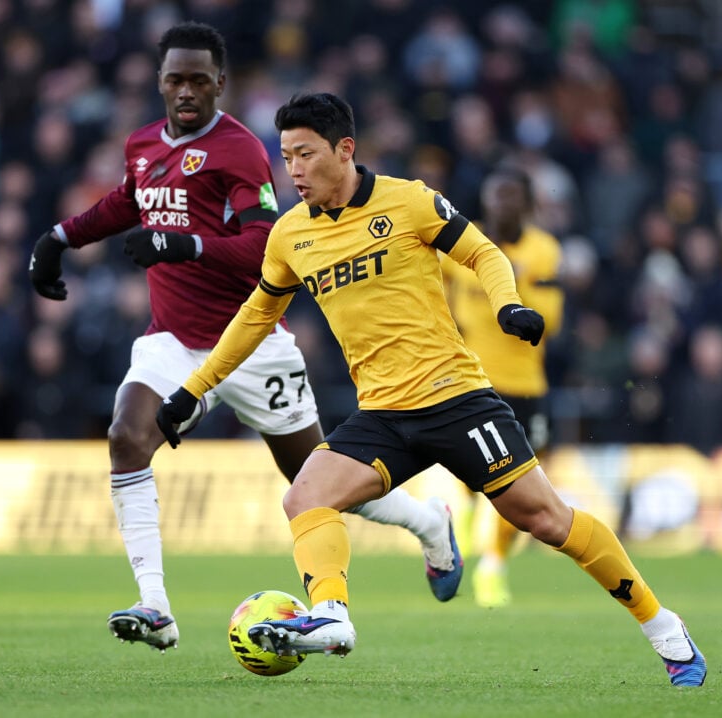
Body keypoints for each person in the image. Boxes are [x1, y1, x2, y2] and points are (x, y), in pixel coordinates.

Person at [156, 92, 707, 687]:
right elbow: (255, 316)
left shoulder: (410, 200)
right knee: (305, 497)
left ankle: (665, 629)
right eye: (285, 155)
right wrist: (195, 390)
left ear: (345, 150)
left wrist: (508, 306)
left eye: (305, 154)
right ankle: (331, 615)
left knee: (546, 520)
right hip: (383, 414)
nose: (293, 170)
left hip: (456, 399)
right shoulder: (290, 235)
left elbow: (483, 251)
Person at [27, 24, 462, 655]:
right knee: (126, 436)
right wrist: (59, 239)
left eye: (199, 80)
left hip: (252, 343)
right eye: (175, 79)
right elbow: (131, 200)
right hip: (173, 342)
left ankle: (427, 523)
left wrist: (182, 245)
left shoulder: (241, 150)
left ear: (219, 83)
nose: (185, 91)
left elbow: (265, 248)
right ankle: (155, 606)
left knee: (317, 483)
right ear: (160, 81)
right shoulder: (143, 144)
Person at [441, 165, 563, 608]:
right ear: (486, 200)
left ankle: (493, 563)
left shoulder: (543, 251)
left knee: (525, 485)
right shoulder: (461, 244)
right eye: (498, 195)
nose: (504, 204)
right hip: (474, 380)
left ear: (527, 205)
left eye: (513, 197)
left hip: (527, 384)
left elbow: (552, 319)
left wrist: (515, 281)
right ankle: (470, 507)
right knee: (470, 470)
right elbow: (437, 291)